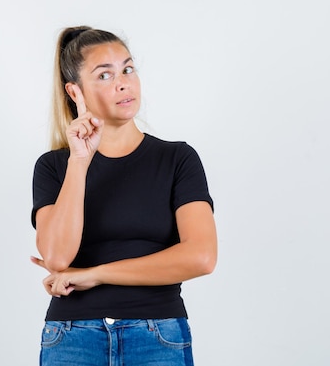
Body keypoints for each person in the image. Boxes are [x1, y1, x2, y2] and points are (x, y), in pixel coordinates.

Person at [30, 26, 217, 366]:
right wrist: (80, 160)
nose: (123, 83)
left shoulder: (177, 159)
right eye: (104, 75)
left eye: (127, 69)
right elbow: (57, 256)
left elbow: (201, 257)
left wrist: (95, 274)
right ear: (75, 91)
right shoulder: (55, 166)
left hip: (157, 335)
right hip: (72, 336)